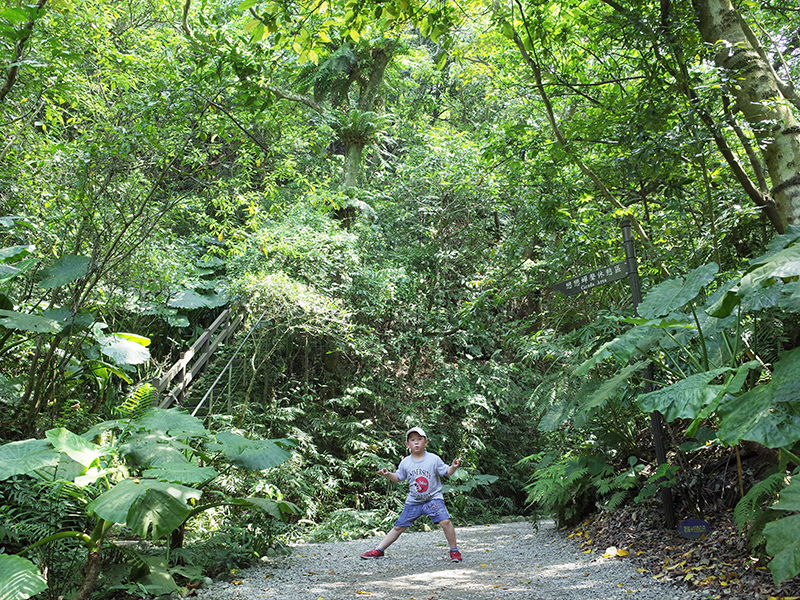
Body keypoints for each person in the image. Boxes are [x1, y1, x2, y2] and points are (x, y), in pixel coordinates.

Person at [360, 426, 463, 562]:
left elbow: (446, 472)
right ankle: (379, 550)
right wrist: (388, 474)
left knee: (446, 522)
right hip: (414, 501)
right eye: (412, 440)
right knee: (399, 527)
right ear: (407, 445)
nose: (416, 442)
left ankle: (454, 551)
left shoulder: (433, 459)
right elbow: (398, 478)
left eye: (419, 439)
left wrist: (453, 467)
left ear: (425, 442)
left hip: (433, 499)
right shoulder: (406, 462)